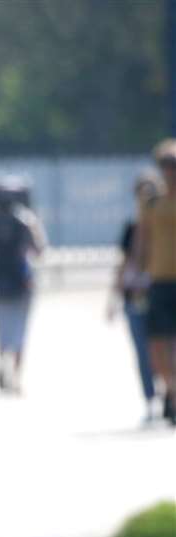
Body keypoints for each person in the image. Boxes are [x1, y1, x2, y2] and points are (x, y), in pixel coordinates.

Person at [0, 178, 47, 395]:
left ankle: (2, 361)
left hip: (0, 281)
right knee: (20, 329)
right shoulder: (26, 221)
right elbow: (39, 249)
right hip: (23, 281)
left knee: (2, 328)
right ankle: (16, 374)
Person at [132, 140, 176, 424]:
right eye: (166, 166)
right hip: (159, 278)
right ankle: (170, 390)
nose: (170, 171)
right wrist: (136, 273)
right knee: (156, 342)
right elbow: (141, 239)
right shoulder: (152, 201)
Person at [112, 173, 161, 423]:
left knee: (163, 348)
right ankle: (150, 398)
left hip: (160, 292)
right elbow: (122, 264)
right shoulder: (131, 228)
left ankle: (168, 394)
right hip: (135, 296)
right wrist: (113, 299)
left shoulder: (166, 224)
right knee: (143, 351)